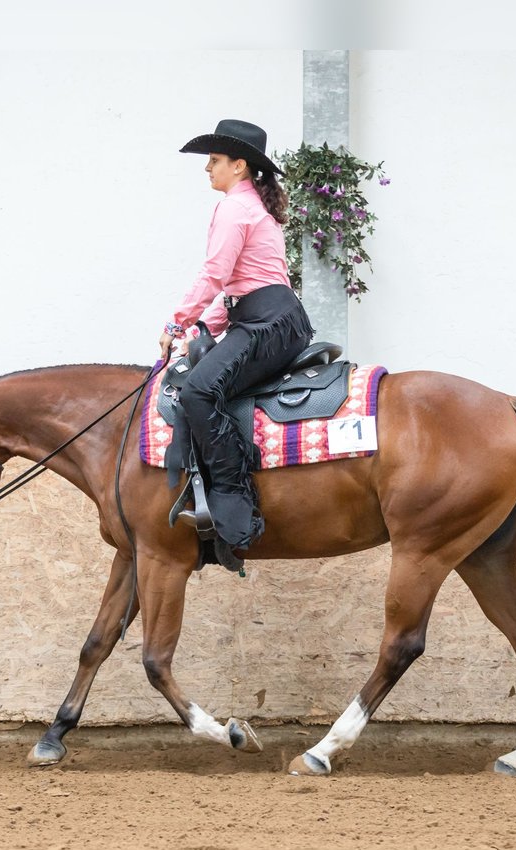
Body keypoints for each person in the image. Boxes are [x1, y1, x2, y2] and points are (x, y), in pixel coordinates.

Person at [159, 119, 314, 553]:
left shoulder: (234, 209)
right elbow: (239, 289)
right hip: (267, 318)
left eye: (214, 161)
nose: (207, 168)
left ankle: (231, 495)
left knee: (199, 392)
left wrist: (176, 323)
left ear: (239, 165)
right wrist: (202, 328)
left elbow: (215, 273)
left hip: (268, 325)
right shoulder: (250, 208)